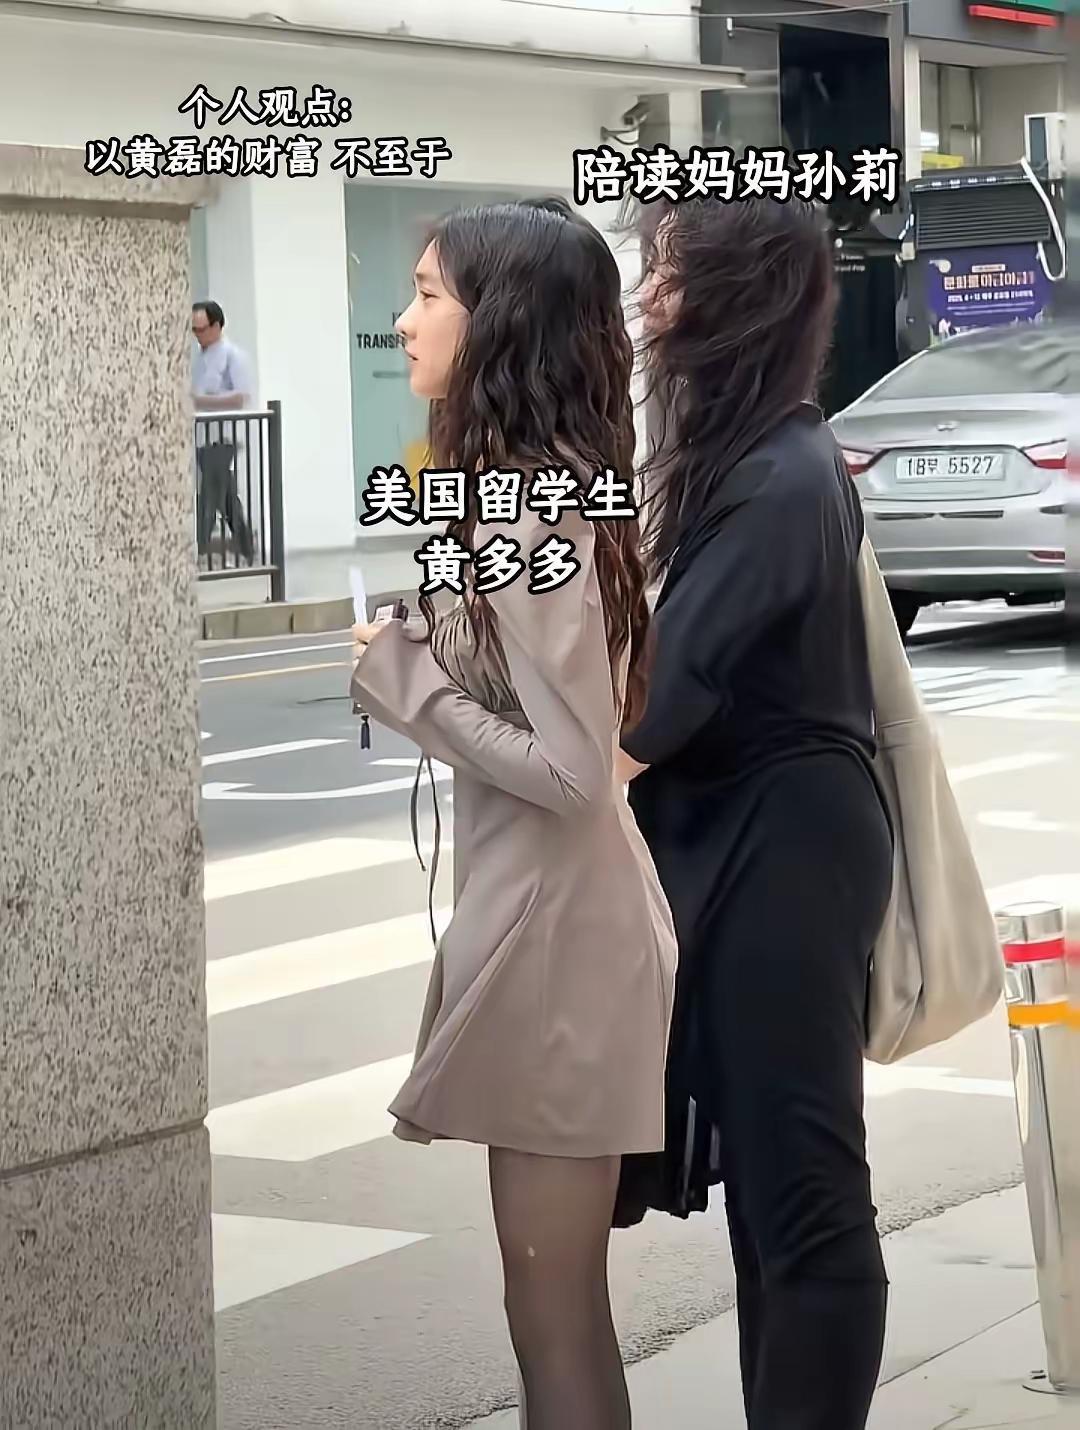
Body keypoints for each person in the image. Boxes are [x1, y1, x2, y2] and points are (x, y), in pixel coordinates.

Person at [349, 197, 677, 1429]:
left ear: (502, 323)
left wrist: (409, 684)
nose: (405, 319)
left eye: (430, 294)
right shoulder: (523, 496)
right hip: (551, 922)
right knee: (553, 1308)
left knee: (551, 1312)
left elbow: (577, 771)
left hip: (561, 942)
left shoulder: (529, 509)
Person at [613, 195, 895, 1430]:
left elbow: (654, 708)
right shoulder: (758, 457)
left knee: (806, 1197)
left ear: (737, 299)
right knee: (772, 1208)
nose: (647, 300)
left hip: (786, 853)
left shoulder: (781, 475)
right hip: (763, 836)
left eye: (669, 275)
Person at [191, 299, 254, 563]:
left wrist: (201, 401)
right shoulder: (198, 359)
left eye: (202, 329)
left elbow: (241, 397)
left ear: (216, 326)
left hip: (222, 438)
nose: (198, 335)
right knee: (226, 498)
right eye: (194, 330)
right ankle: (247, 549)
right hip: (203, 437)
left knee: (208, 496)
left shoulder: (232, 356)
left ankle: (199, 552)